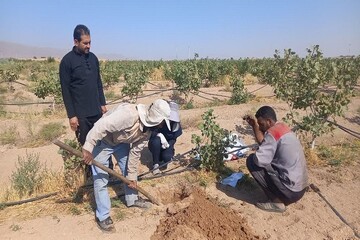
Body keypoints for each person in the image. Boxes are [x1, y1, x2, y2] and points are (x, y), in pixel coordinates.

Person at [82, 99, 171, 232]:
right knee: (101, 178)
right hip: (103, 142)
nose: (161, 125)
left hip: (121, 143)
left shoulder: (148, 131)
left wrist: (132, 177)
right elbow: (101, 125)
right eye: (161, 122)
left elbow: (135, 153)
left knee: (127, 170)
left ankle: (132, 199)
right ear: (155, 119)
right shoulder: (128, 114)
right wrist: (88, 147)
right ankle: (103, 216)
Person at [59, 24, 113, 173]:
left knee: (103, 141)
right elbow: (66, 91)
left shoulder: (93, 58)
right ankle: (92, 175)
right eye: (85, 43)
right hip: (81, 114)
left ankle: (109, 172)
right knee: (86, 146)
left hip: (96, 110)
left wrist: (102, 103)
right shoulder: (67, 62)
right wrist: (72, 116)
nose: (88, 46)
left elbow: (98, 83)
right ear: (76, 42)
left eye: (90, 42)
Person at [244, 106, 308, 213]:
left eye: (261, 124)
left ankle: (277, 202)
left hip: (290, 191)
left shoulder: (272, 133)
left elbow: (259, 160)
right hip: (300, 189)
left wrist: (259, 151)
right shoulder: (282, 128)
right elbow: (265, 143)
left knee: (252, 161)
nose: (260, 127)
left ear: (269, 121)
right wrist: (254, 126)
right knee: (265, 161)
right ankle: (280, 195)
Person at [148, 101, 182, 175]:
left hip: (168, 144)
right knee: (156, 141)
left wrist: (169, 145)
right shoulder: (159, 119)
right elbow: (152, 132)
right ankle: (155, 164)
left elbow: (174, 138)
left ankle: (168, 154)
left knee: (166, 158)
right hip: (155, 143)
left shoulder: (176, 124)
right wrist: (160, 135)